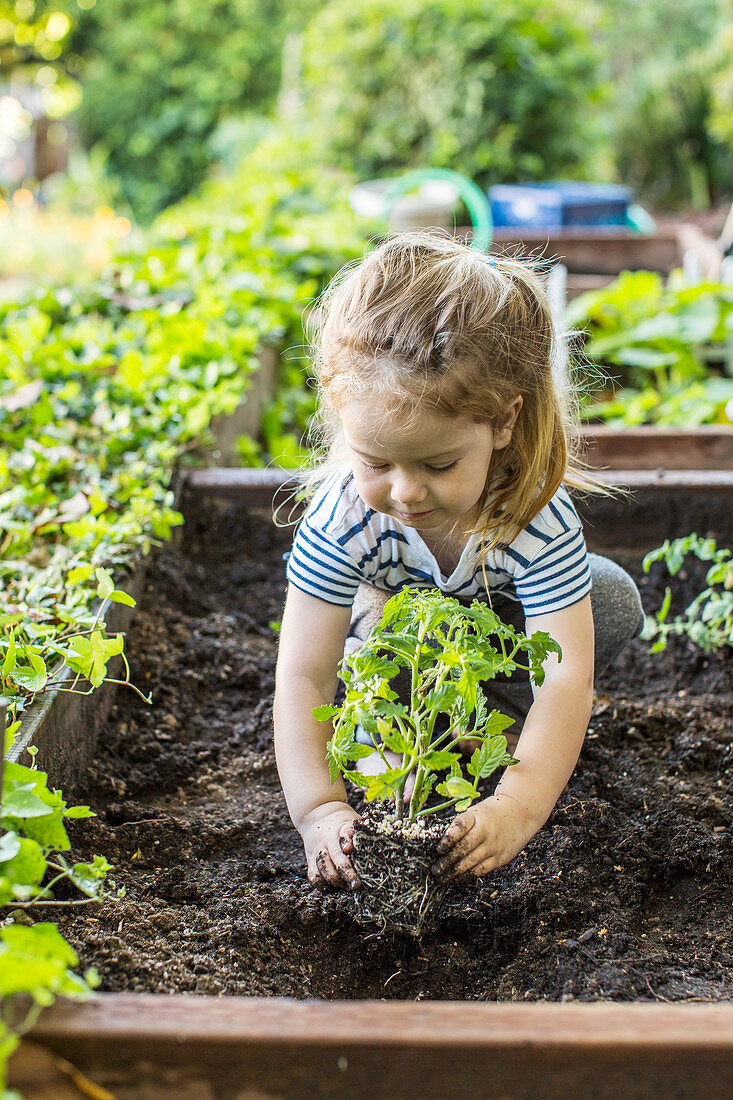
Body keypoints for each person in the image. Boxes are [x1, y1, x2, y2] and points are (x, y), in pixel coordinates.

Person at [273, 231, 642, 893]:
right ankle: (391, 723)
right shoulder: (342, 519)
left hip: (492, 634)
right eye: (376, 462)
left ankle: (486, 732)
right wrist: (320, 809)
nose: (405, 491)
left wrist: (516, 805)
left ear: (502, 424)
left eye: (438, 464)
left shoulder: (535, 517)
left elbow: (564, 681)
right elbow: (303, 675)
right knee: (373, 646)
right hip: (397, 642)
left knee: (608, 596)